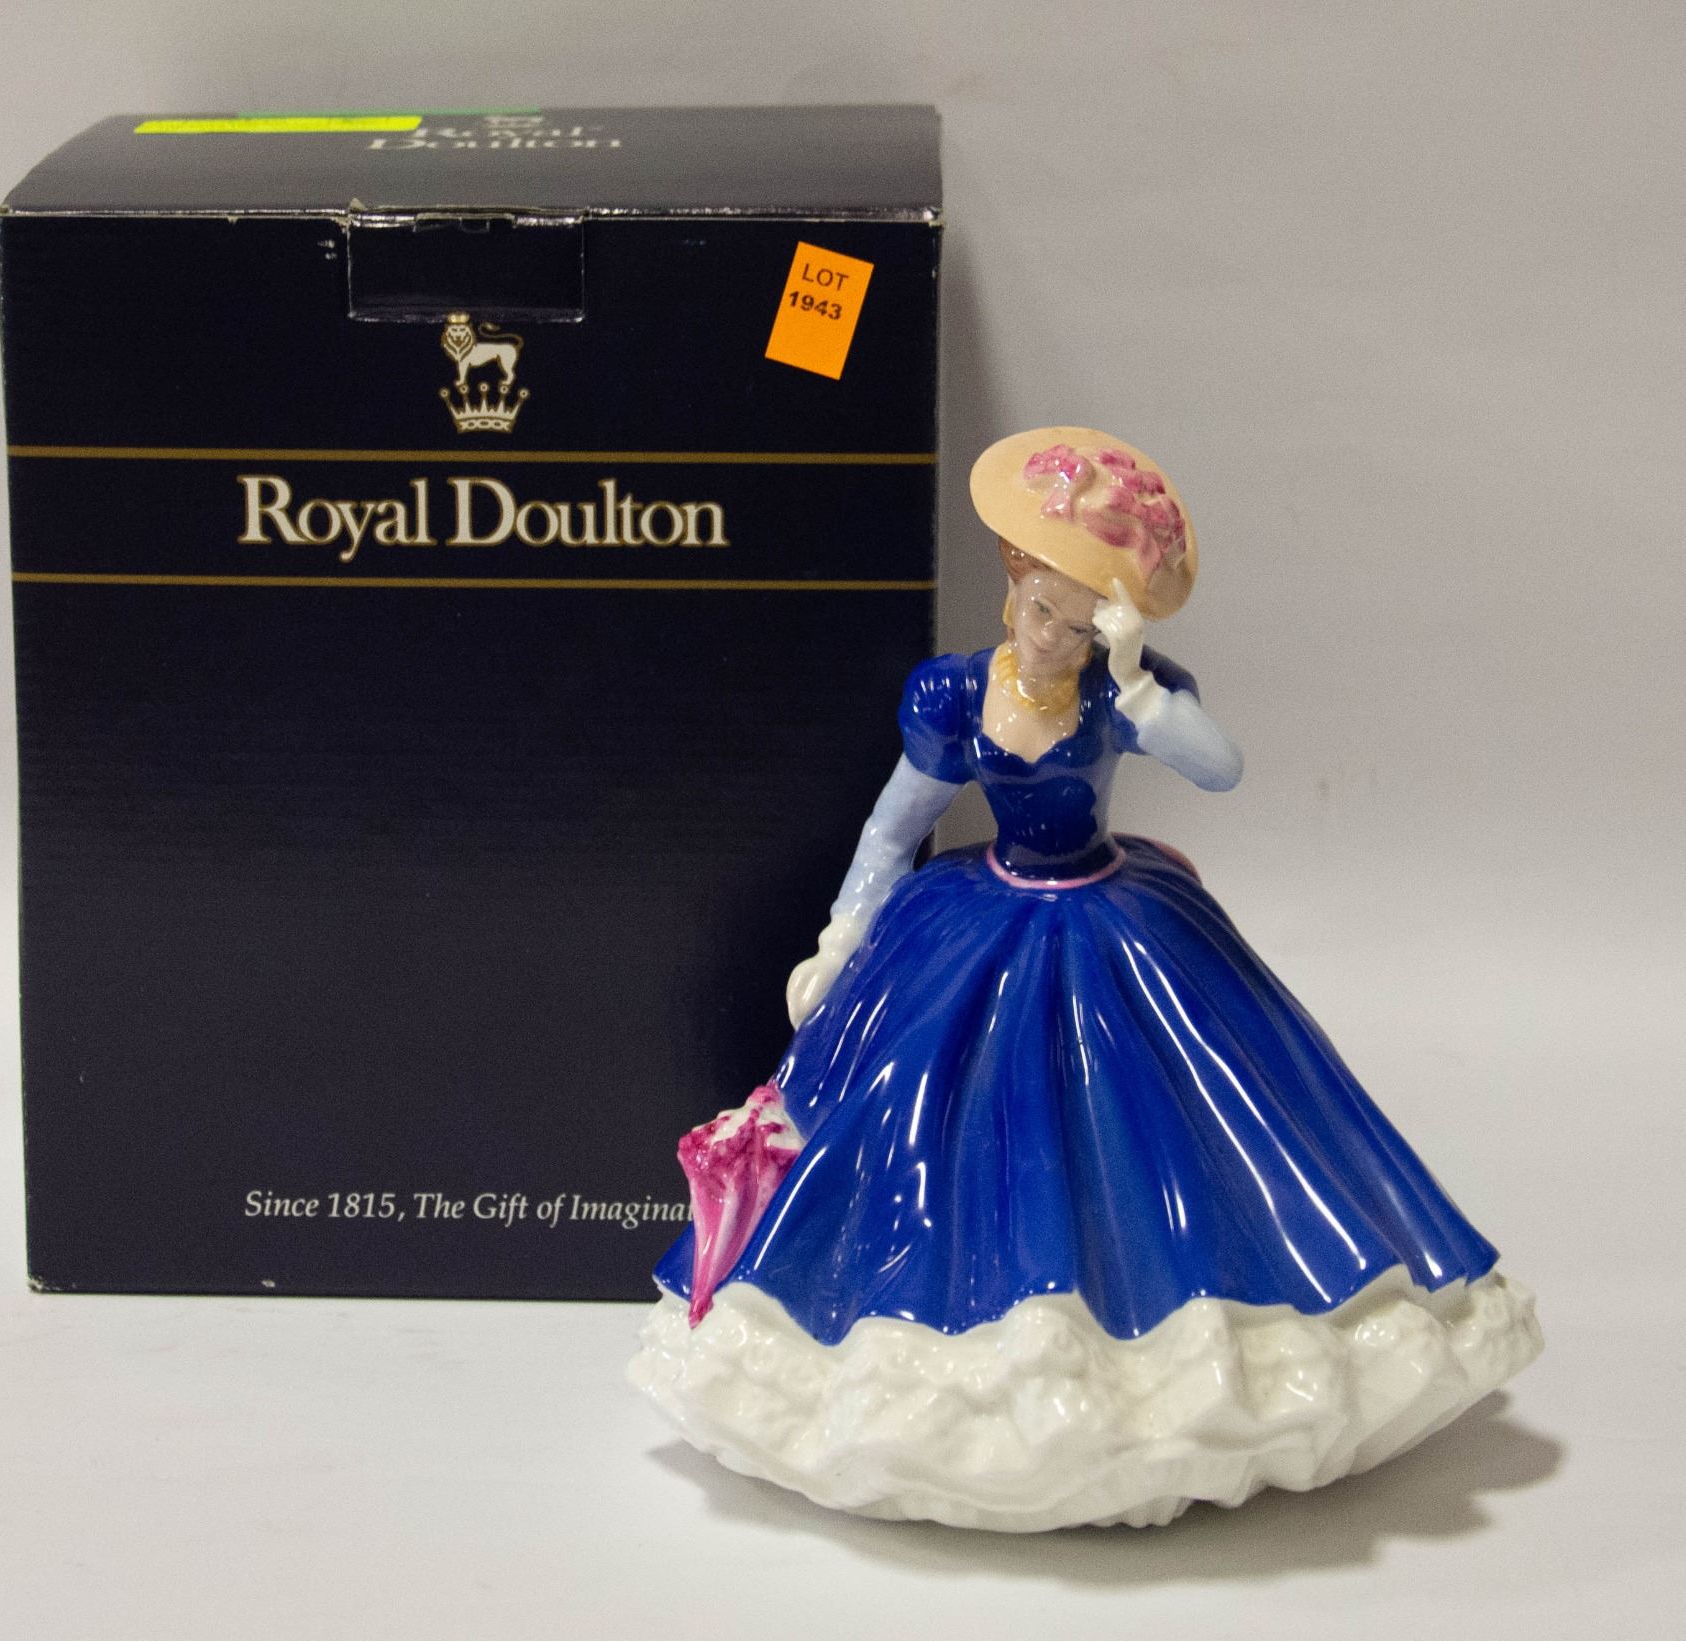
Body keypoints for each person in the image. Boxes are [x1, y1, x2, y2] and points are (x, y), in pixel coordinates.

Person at [629, 427, 1541, 1532]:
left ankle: (1168, 1320)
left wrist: (1137, 682)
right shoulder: (955, 693)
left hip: (1111, 913)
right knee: (927, 1108)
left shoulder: (1117, 692)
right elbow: (892, 827)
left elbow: (1220, 767)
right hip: (977, 916)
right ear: (1013, 585)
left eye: (1079, 623)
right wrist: (841, 934)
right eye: (1040, 610)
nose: (1052, 636)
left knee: (1167, 1113)